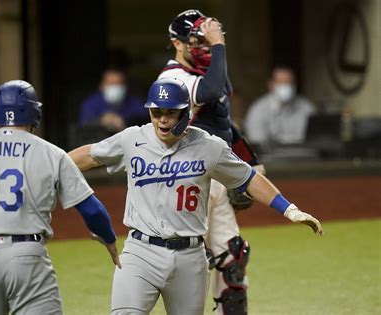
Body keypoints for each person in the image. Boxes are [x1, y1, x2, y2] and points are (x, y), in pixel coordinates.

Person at [69, 77, 323, 315]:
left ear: (185, 112)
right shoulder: (132, 139)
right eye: (157, 112)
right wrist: (52, 167)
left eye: (170, 112)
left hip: (190, 258)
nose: (163, 120)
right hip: (140, 253)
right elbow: (90, 155)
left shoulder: (209, 147)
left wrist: (289, 209)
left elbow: (248, 178)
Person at [0, 80, 120, 314]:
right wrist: (109, 240)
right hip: (28, 259)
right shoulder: (51, 152)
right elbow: (92, 210)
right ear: (34, 112)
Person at [159, 9, 264, 314]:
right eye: (198, 41)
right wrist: (219, 46)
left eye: (209, 41)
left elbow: (222, 123)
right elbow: (210, 91)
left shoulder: (206, 72)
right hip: (187, 183)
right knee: (192, 266)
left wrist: (249, 164)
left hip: (216, 178)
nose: (206, 47)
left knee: (233, 258)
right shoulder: (172, 77)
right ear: (177, 44)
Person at [244, 66, 316, 147]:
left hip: (304, 156)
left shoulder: (306, 107)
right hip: (270, 158)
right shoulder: (258, 110)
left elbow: (316, 138)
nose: (285, 85)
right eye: (281, 82)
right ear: (271, 85)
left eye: (289, 82)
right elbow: (257, 142)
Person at [79, 68, 148, 133]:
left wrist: (124, 121)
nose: (114, 87)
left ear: (125, 86)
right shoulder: (91, 104)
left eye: (118, 84)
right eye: (111, 84)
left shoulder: (136, 102)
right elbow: (84, 124)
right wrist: (101, 121)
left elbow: (144, 119)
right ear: (101, 86)